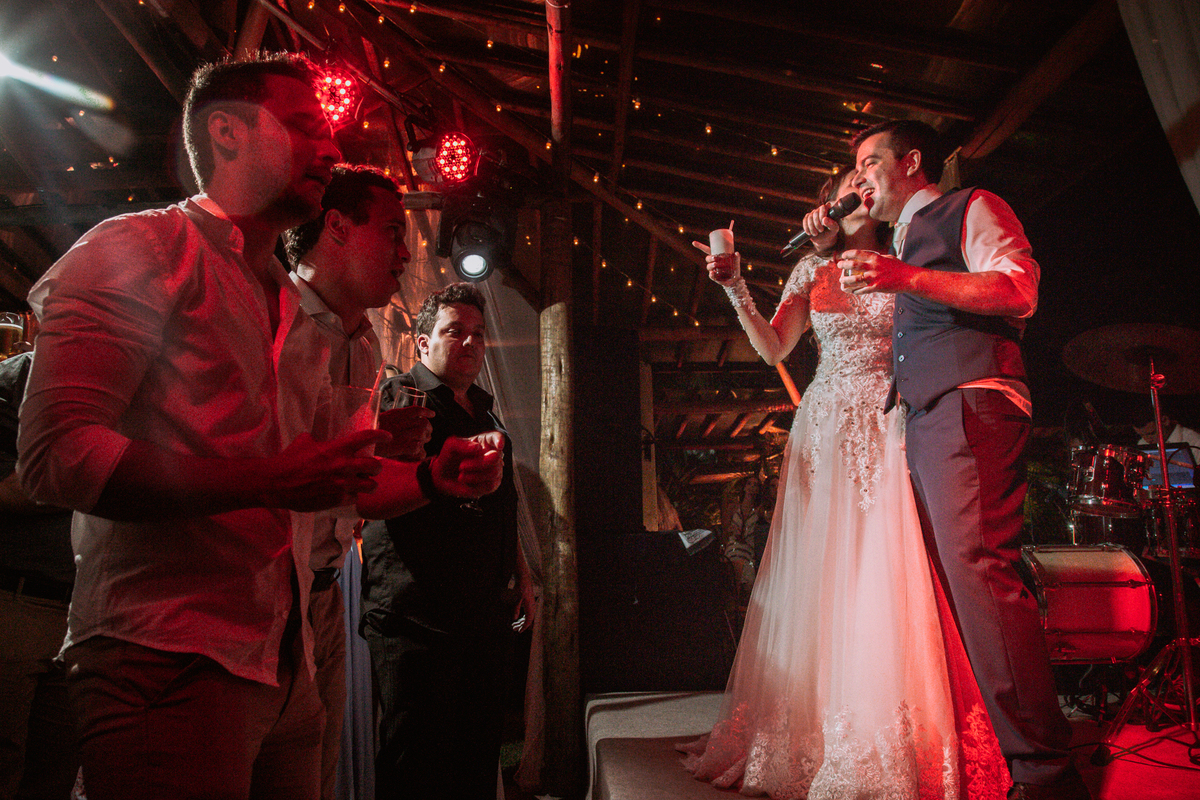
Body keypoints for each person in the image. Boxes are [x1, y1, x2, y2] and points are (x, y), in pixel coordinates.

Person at [680, 167, 1008, 799]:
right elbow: (773, 348)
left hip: (890, 419)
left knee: (886, 563)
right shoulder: (811, 271)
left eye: (865, 178)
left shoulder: (905, 259)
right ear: (826, 207)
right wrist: (735, 285)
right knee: (822, 569)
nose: (857, 189)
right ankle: (814, 725)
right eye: (844, 186)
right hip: (825, 424)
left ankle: (886, 726)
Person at [839, 119, 1088, 800]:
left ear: (912, 161)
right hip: (928, 415)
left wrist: (907, 277)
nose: (860, 178)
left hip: (970, 400)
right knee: (952, 588)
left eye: (870, 162)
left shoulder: (970, 206)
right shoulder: (896, 239)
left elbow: (1018, 290)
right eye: (854, 169)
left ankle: (1046, 775)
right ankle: (1005, 756)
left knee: (980, 576)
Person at [283, 164, 432, 800]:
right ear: (338, 227)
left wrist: (391, 450)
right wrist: (430, 476)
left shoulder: (366, 344)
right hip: (260, 597)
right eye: (394, 231)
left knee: (313, 778)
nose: (407, 252)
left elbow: (349, 489)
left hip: (324, 594)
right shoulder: (277, 321)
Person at [360, 283, 536, 800]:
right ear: (422, 342)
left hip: (482, 615)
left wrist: (522, 576)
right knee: (416, 765)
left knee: (475, 760)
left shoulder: (485, 413)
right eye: (455, 331)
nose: (470, 343)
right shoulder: (402, 400)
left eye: (478, 334)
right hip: (416, 615)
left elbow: (502, 507)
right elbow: (373, 488)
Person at [0, 351, 78, 800]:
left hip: (80, 614)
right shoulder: (19, 377)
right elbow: (6, 492)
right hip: (17, 601)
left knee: (55, 776)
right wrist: (100, 472)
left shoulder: (136, 384)